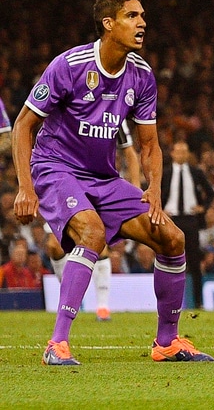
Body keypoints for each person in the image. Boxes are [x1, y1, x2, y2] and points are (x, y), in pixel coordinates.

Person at [11, 0, 214, 365]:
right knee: (92, 232)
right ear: (108, 23)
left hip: (103, 178)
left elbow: (149, 145)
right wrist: (25, 187)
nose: (142, 23)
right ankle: (57, 344)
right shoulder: (69, 66)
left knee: (172, 238)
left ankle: (167, 342)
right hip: (56, 168)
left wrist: (154, 189)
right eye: (132, 16)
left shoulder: (142, 75)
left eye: (143, 16)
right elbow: (23, 125)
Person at [43, 120, 140, 321]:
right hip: (65, 183)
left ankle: (102, 307)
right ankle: (70, 297)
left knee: (98, 243)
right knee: (54, 246)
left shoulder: (114, 114)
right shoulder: (67, 112)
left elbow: (129, 151)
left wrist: (137, 189)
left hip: (99, 186)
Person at [160, 141, 214, 309]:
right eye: (179, 151)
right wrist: (160, 209)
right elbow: (154, 192)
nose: (182, 155)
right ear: (172, 153)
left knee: (194, 261)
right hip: (171, 220)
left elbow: (210, 193)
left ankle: (198, 302)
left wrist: (203, 208)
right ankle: (167, 301)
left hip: (191, 220)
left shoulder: (196, 172)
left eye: (184, 151)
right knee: (169, 260)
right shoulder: (165, 173)